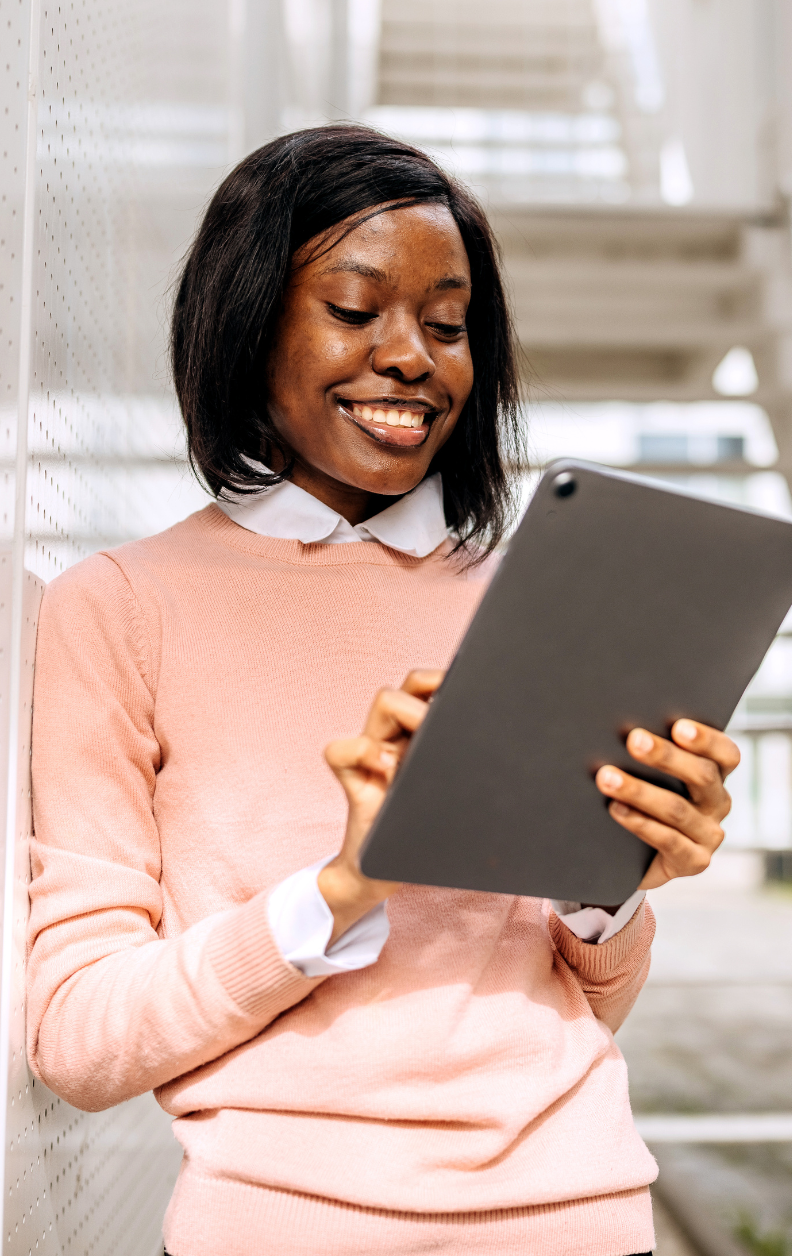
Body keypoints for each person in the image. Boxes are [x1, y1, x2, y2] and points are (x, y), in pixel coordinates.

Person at [27, 125, 739, 1256]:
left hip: (582, 1219)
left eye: (449, 324)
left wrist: (619, 885)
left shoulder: (535, 602)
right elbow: (77, 1035)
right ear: (246, 324)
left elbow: (571, 1008)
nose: (414, 356)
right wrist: (342, 885)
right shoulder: (117, 608)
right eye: (357, 312)